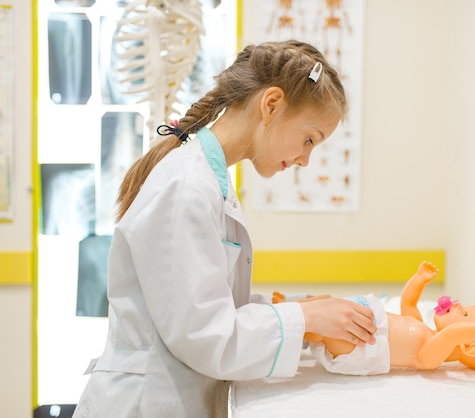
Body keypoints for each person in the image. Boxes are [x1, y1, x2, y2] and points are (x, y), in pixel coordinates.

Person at [73, 40, 377, 418]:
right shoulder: (187, 187)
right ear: (271, 105)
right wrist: (307, 319)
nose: (305, 159)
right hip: (144, 403)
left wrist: (300, 310)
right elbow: (206, 336)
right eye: (309, 139)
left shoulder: (206, 180)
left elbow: (211, 304)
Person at [279, 261, 475, 375]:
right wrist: (420, 279)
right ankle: (287, 311)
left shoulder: (429, 358)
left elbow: (451, 335)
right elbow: (408, 303)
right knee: (326, 303)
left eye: (465, 313)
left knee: (321, 330)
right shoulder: (423, 329)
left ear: (469, 346)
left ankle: (285, 327)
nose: (457, 304)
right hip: (364, 324)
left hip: (362, 346)